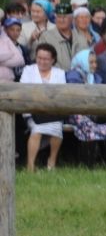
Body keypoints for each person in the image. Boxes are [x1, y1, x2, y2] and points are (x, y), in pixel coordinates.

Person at [65, 49, 106, 163]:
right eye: (91, 62)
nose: (94, 65)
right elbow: (76, 98)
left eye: (95, 62)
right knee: (88, 127)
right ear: (82, 62)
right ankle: (88, 163)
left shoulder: (95, 77)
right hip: (76, 113)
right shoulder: (73, 75)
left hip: (95, 112)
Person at [20, 43, 66, 172]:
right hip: (33, 111)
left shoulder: (59, 73)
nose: (42, 61)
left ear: (52, 60)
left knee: (57, 128)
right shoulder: (28, 70)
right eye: (39, 58)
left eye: (45, 59)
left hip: (53, 112)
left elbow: (60, 93)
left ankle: (51, 161)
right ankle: (30, 165)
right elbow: (24, 90)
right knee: (37, 130)